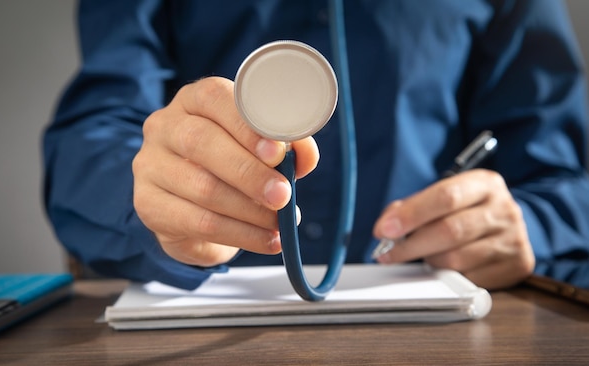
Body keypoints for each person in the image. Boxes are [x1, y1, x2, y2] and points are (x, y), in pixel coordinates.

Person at [43, 0, 589, 291]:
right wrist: (153, 197)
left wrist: (527, 225)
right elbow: (86, 139)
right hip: (205, 317)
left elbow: (567, 174)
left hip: (430, 318)